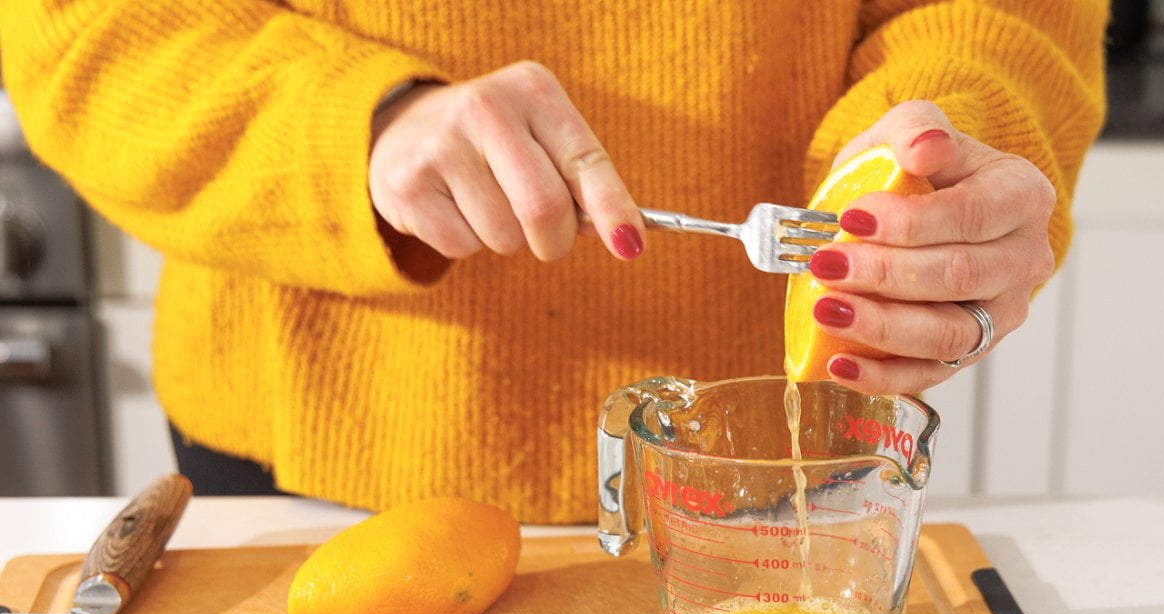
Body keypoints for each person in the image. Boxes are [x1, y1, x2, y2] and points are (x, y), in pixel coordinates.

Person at [0, 2, 1107, 522]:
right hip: (308, 455)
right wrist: (361, 122)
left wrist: (948, 146)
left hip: (779, 448)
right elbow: (76, 22)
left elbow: (998, 17)